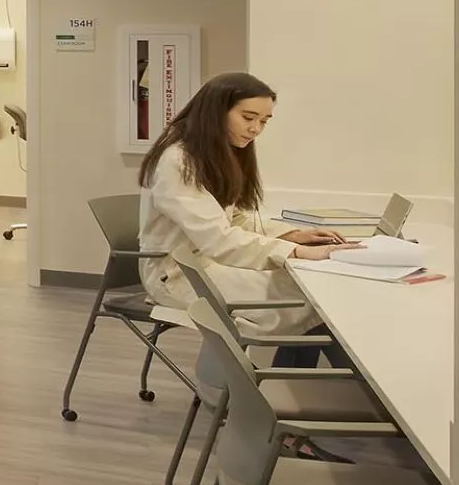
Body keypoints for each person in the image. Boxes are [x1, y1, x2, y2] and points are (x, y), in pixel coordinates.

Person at [135, 72, 347, 361]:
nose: (256, 129)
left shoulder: (219, 153)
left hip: (207, 262)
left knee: (311, 294)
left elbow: (233, 221)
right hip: (177, 275)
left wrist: (292, 236)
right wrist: (294, 251)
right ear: (216, 112)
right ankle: (293, 391)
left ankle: (295, 388)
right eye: (248, 118)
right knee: (310, 300)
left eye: (263, 121)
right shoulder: (178, 160)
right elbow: (218, 239)